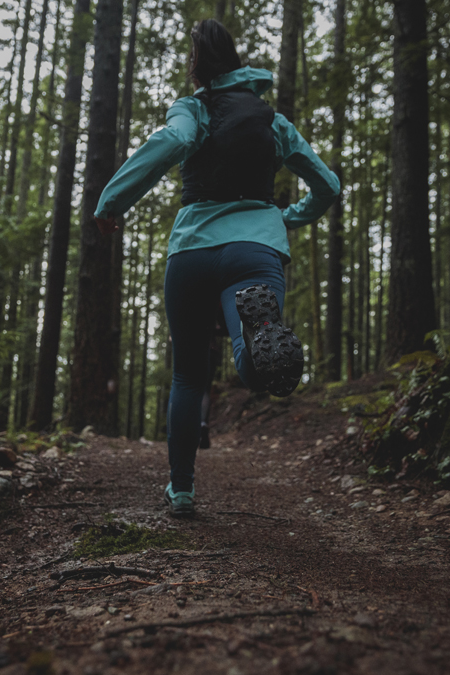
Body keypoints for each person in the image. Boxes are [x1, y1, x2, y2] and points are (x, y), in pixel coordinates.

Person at [95, 19, 340, 517]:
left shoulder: (192, 108)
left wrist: (113, 199)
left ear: (197, 68)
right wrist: (285, 218)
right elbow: (328, 186)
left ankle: (180, 490)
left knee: (188, 375)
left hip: (191, 251)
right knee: (252, 356)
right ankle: (257, 339)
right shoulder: (272, 121)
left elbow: (170, 143)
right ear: (240, 67)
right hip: (254, 248)